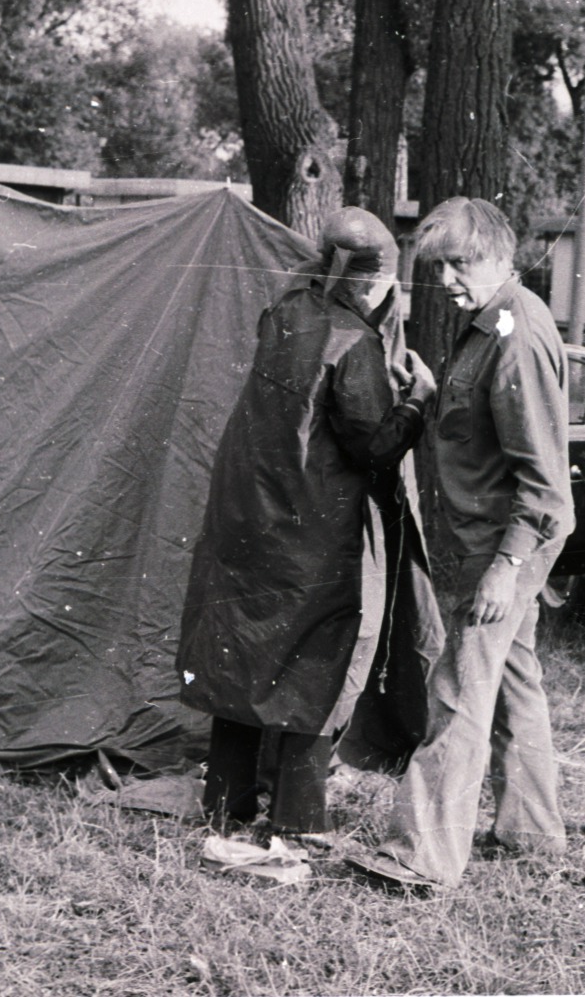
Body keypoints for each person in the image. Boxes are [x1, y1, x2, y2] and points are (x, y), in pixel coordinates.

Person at [177, 206, 436, 838]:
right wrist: (418, 401)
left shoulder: (284, 310)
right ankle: (298, 820)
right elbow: (372, 446)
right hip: (311, 532)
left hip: (247, 518)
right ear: (374, 280)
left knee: (240, 656)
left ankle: (226, 804)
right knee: (312, 666)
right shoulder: (356, 342)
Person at [346, 196, 575, 891]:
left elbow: (542, 479)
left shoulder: (514, 335)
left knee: (456, 692)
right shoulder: (486, 323)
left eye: (459, 263)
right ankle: (530, 831)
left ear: (502, 257)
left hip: (506, 541)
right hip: (496, 537)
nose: (445, 278)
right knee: (512, 683)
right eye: (437, 265)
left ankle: (420, 855)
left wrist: (506, 568)